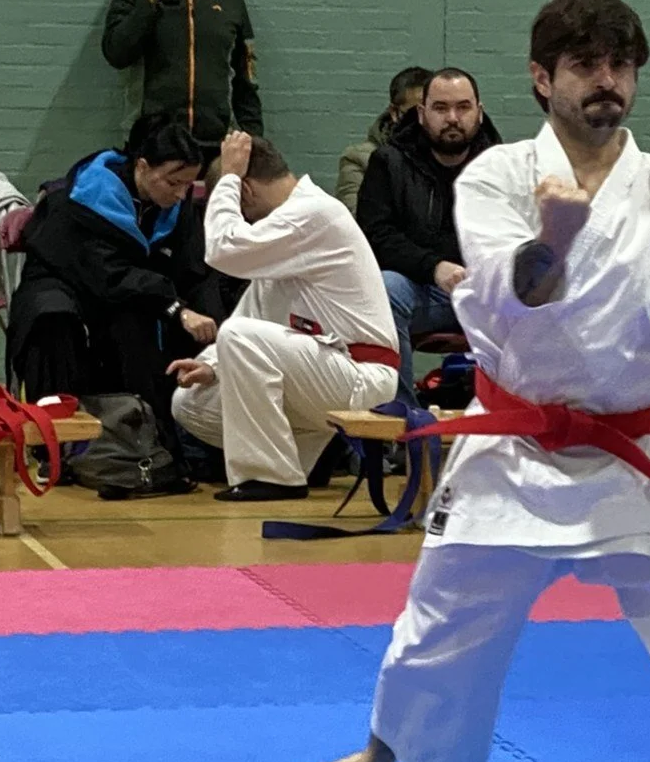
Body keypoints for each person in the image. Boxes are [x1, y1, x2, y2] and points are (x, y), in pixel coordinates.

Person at [293, 0, 650, 762]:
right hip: (515, 450)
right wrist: (553, 239)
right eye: (586, 65)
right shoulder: (497, 176)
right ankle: (380, 754)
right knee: (435, 628)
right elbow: (508, 294)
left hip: (634, 452)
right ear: (541, 77)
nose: (607, 82)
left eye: (620, 66)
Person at [170, 133, 400, 502]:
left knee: (239, 335)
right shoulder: (286, 238)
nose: (243, 220)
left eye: (237, 207)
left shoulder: (316, 212)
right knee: (191, 402)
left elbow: (223, 250)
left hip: (362, 375)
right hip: (324, 372)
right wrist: (212, 366)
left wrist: (228, 177)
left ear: (244, 191)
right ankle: (301, 460)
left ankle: (272, 477)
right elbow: (253, 313)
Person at [7, 116, 217, 458]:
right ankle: (56, 445)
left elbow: (193, 269)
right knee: (52, 319)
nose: (181, 194)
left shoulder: (175, 209)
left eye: (187, 185)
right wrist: (175, 307)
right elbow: (104, 271)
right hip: (65, 283)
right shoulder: (82, 199)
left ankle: (150, 442)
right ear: (142, 166)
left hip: (132, 292)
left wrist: (211, 322)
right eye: (173, 182)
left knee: (147, 317)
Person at [356, 68, 502, 407]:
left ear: (479, 112)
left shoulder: (501, 165)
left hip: (487, 293)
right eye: (440, 108)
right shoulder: (389, 161)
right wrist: (434, 267)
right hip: (422, 288)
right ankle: (401, 418)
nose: (452, 118)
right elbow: (375, 236)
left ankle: (513, 420)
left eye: (463, 107)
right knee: (386, 289)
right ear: (422, 114)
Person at [102, 0, 262, 160]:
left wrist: (253, 139)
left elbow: (246, 77)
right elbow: (116, 54)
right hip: (152, 144)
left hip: (216, 144)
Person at [337, 66, 431, 213]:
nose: (422, 121)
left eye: (431, 111)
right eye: (414, 113)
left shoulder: (451, 155)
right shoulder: (359, 159)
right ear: (394, 112)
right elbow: (359, 218)